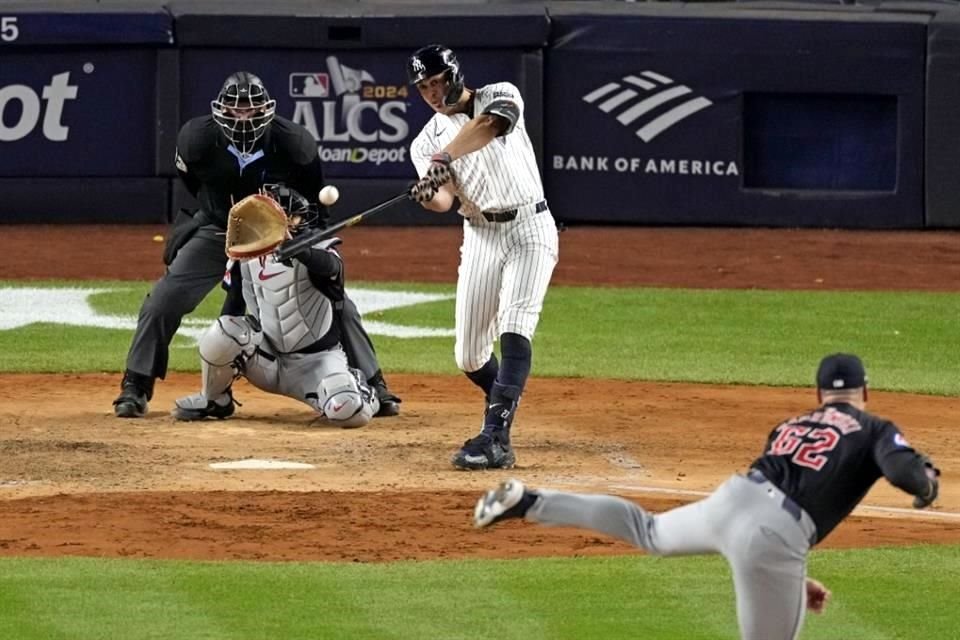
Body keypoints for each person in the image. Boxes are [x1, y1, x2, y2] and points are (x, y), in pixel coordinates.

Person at [473, 353, 941, 640]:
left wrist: (787, 581)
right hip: (774, 535)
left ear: (819, 394)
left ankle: (531, 502)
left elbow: (774, 499)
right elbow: (902, 469)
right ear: (867, 391)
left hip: (734, 498)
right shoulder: (873, 425)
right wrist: (926, 486)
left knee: (649, 530)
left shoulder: (793, 424)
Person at [112, 71, 400, 419]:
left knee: (339, 303)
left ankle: (374, 383)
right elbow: (195, 186)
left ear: (267, 109)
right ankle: (137, 384)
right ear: (221, 111)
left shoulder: (295, 144)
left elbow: (314, 207)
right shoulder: (195, 140)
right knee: (164, 300)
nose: (243, 118)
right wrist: (226, 218)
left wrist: (311, 251)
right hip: (219, 228)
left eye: (251, 110)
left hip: (280, 232)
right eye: (235, 111)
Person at [405, 44, 559, 470]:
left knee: (514, 327)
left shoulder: (498, 94)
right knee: (469, 356)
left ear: (453, 74)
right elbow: (444, 199)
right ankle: (503, 407)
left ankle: (496, 437)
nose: (433, 94)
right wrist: (428, 194)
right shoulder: (425, 143)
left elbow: (490, 126)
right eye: (423, 88)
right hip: (480, 236)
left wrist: (446, 157)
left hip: (530, 227)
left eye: (437, 82)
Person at [171, 185, 379, 427]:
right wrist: (226, 350)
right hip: (267, 361)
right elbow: (233, 307)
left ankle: (363, 391)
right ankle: (214, 399)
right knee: (224, 331)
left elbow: (332, 270)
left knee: (349, 412)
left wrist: (301, 251)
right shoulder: (246, 256)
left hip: (316, 365)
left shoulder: (320, 250)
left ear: (295, 221)